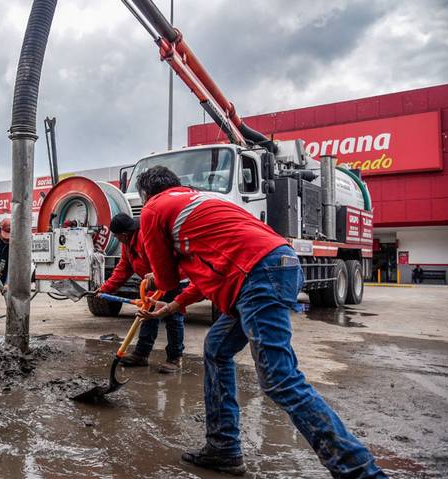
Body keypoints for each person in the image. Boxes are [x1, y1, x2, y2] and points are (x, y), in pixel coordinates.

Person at [136, 166, 385, 478]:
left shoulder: (154, 209)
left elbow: (167, 278)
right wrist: (173, 305)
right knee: (216, 347)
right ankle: (223, 448)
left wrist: (157, 278)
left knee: (280, 380)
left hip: (258, 275)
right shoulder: (203, 202)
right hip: (272, 266)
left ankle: (360, 471)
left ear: (146, 194)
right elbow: (212, 269)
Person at [96, 213, 201, 373]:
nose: (116, 240)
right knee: (147, 315)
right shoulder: (127, 244)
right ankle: (141, 354)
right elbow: (124, 268)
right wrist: (105, 288)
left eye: (117, 237)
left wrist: (160, 278)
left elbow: (171, 260)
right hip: (154, 282)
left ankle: (175, 358)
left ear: (124, 234)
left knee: (174, 317)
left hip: (174, 278)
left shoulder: (147, 238)